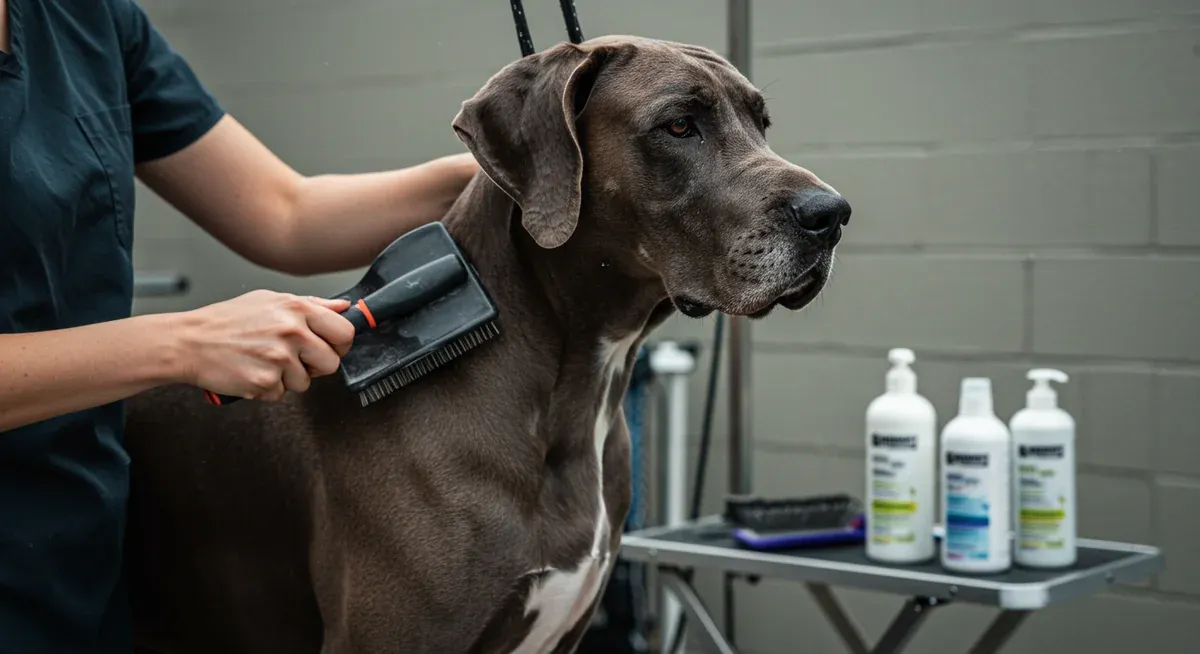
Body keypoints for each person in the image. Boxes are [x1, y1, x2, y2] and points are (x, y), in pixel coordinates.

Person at [0, 0, 479, 651]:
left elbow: (285, 213)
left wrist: (488, 181)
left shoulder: (86, 18)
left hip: (76, 543)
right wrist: (183, 344)